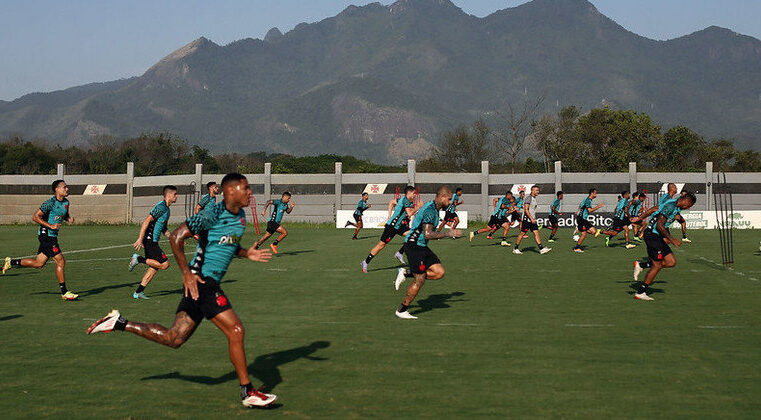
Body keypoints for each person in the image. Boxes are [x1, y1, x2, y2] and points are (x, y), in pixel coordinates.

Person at [87, 173, 278, 408]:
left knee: (173, 338)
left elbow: (227, 243)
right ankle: (247, 391)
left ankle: (118, 323)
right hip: (202, 283)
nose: (250, 192)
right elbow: (177, 236)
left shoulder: (239, 216)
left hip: (202, 287)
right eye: (245, 188)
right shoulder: (212, 214)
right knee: (236, 330)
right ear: (230, 191)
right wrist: (187, 273)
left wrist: (245, 252)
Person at [2, 180, 78, 300]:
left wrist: (68, 219)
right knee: (60, 261)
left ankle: (11, 262)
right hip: (46, 235)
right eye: (64, 187)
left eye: (67, 187)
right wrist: (51, 226)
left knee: (39, 263)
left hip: (52, 235)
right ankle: (64, 292)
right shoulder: (49, 203)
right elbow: (35, 217)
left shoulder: (66, 203)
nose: (67, 189)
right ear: (57, 189)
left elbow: (64, 215)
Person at [393, 186, 461, 319]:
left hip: (421, 246)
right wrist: (448, 233)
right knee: (420, 279)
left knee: (439, 272)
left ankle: (405, 273)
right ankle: (401, 310)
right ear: (442, 197)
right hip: (414, 246)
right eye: (449, 199)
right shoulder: (430, 210)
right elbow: (428, 234)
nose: (450, 202)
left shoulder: (434, 207)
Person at [632, 191, 697, 300]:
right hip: (652, 235)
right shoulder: (671, 206)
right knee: (657, 265)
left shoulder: (673, 204)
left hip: (657, 236)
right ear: (686, 201)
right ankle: (640, 292)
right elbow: (659, 225)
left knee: (671, 262)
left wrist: (640, 218)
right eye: (689, 206)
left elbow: (655, 208)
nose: (688, 208)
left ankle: (642, 265)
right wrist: (671, 239)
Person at [128, 185, 178, 299]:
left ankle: (138, 292)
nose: (177, 196)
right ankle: (138, 259)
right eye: (175, 194)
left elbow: (164, 229)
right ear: (169, 195)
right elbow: (146, 220)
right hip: (150, 241)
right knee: (165, 264)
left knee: (154, 267)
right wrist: (140, 239)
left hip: (153, 241)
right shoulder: (161, 207)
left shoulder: (167, 210)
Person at [361, 186, 416, 273]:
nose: (415, 195)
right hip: (392, 226)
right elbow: (409, 213)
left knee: (413, 235)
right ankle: (365, 262)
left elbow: (391, 202)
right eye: (414, 193)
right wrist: (417, 208)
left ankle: (400, 253)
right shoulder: (406, 201)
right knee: (381, 245)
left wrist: (390, 215)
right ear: (409, 193)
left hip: (399, 226)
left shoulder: (402, 199)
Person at [513, 185, 551, 254]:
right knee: (522, 234)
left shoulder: (534, 198)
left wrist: (533, 219)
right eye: (536, 190)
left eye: (538, 190)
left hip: (532, 220)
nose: (538, 192)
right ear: (532, 191)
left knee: (536, 232)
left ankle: (541, 248)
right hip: (527, 220)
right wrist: (531, 219)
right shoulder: (528, 198)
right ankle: (515, 248)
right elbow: (526, 210)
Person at [573, 188, 603, 253]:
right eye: (595, 193)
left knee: (593, 231)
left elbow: (581, 204)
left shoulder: (587, 199)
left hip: (582, 218)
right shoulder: (588, 200)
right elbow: (590, 210)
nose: (596, 194)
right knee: (584, 234)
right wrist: (597, 207)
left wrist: (578, 210)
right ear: (592, 193)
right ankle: (577, 248)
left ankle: (579, 228)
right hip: (581, 218)